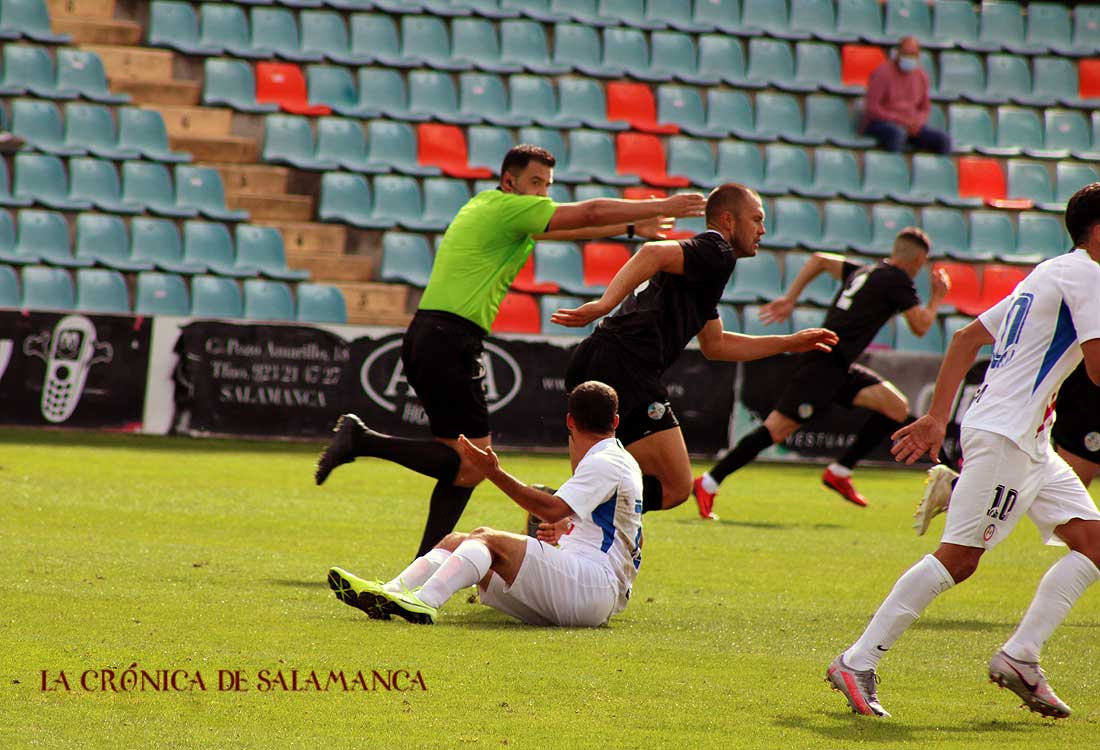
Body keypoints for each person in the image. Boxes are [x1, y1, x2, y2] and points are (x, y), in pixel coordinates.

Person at [313, 144, 705, 558]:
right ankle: (362, 440)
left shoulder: (493, 208)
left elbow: (559, 228)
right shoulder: (507, 208)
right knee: (470, 463)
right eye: (535, 183)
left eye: (548, 186)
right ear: (509, 181)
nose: (542, 194)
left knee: (462, 466)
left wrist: (630, 231)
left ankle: (427, 560)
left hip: (433, 335)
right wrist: (661, 204)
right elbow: (585, 214)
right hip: (449, 338)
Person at [826, 183, 1100, 720]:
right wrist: (935, 419)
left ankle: (1020, 657)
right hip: (1008, 437)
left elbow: (963, 341)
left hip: (1028, 438)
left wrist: (935, 418)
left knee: (1092, 544)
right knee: (960, 559)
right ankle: (856, 661)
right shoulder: (1089, 274)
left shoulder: (1049, 271)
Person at [551, 183, 839, 515]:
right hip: (627, 365)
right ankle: (567, 511)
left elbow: (716, 345)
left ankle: (556, 511)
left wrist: (790, 342)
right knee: (675, 487)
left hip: (595, 356)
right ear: (728, 221)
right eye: (756, 219)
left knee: (591, 479)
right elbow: (651, 252)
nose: (762, 230)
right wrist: (604, 303)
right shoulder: (717, 250)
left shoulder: (705, 270)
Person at [326, 380, 642, 627]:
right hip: (588, 586)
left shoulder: (606, 461)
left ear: (570, 420)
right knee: (457, 540)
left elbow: (551, 508)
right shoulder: (614, 458)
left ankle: (425, 601)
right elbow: (611, 529)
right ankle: (391, 592)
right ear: (615, 420)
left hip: (591, 588)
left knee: (487, 539)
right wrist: (566, 530)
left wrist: (493, 472)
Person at [693, 229, 949, 517]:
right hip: (824, 366)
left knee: (895, 407)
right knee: (775, 430)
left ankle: (839, 471)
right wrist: (937, 296)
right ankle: (708, 482)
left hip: (839, 365)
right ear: (917, 260)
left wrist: (791, 298)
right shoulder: (898, 280)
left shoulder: (865, 270)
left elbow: (819, 260)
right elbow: (921, 326)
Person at [914, 359, 1100, 536]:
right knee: (1071, 507)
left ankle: (960, 488)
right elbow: (966, 338)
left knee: (1083, 532)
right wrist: (937, 416)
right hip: (1082, 391)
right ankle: (960, 489)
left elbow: (967, 337)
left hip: (1031, 409)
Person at [861, 36, 950, 155]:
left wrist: (916, 123)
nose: (909, 58)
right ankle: (894, 170)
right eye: (905, 54)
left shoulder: (921, 76)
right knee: (897, 134)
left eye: (912, 54)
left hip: (911, 126)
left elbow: (924, 108)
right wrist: (899, 121)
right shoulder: (882, 73)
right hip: (881, 123)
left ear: (918, 56)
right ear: (898, 53)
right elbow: (872, 107)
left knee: (942, 140)